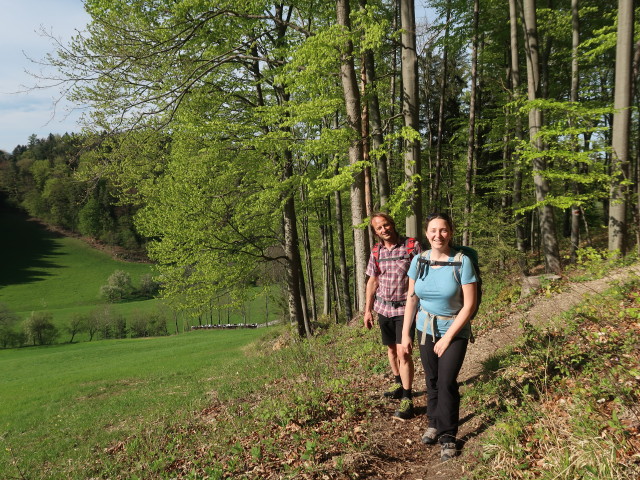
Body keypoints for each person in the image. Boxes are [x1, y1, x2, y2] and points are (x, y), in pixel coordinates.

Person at [401, 212, 477, 461]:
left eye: (443, 230)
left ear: (451, 232)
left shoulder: (462, 262)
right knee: (432, 379)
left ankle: (447, 436)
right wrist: (406, 334)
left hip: (453, 331)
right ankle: (433, 423)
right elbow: (412, 299)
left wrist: (447, 337)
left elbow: (469, 306)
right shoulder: (419, 260)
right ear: (426, 233)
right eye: (433, 230)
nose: (438, 235)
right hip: (425, 328)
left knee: (446, 382)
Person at [364, 212, 421, 419]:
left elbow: (423, 276)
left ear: (392, 224)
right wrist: (367, 310)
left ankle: (408, 398)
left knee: (404, 352)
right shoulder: (377, 251)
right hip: (383, 308)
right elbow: (372, 280)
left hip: (405, 309)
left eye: (386, 225)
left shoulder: (411, 246)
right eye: (379, 228)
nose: (383, 230)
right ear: (375, 232)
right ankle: (398, 383)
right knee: (391, 349)